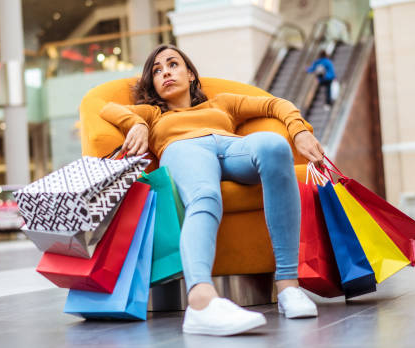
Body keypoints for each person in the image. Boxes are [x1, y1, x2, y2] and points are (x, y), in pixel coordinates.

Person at [100, 44, 324, 336]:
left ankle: (287, 287)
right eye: (157, 70)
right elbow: (107, 107)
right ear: (153, 84)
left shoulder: (222, 104)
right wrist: (138, 124)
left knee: (274, 146)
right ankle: (201, 303)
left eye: (173, 64)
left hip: (230, 146)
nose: (166, 71)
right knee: (205, 196)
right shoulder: (153, 113)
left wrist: (298, 129)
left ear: (191, 74)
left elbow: (274, 104)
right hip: (183, 149)